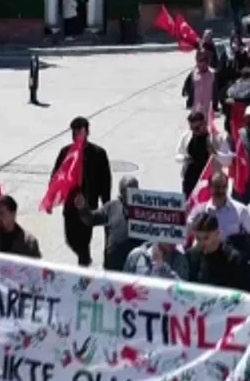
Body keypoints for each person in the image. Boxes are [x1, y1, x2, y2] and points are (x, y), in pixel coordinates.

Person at [54, 117, 113, 266]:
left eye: (79, 131)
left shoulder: (98, 153)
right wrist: (55, 192)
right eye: (74, 132)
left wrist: (106, 204)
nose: (76, 135)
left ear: (87, 132)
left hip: (88, 208)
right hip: (70, 206)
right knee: (70, 239)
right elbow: (56, 175)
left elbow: (105, 180)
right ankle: (84, 258)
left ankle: (84, 264)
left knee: (84, 241)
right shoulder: (65, 152)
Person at [74, 176, 143, 272]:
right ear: (121, 192)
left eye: (133, 190)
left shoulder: (144, 211)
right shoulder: (111, 207)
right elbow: (91, 219)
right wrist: (82, 207)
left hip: (134, 271)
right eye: (126, 191)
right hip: (112, 270)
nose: (130, 194)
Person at [184, 212, 250, 294]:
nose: (202, 243)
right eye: (198, 238)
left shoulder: (235, 259)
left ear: (217, 233)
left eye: (206, 238)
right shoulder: (191, 256)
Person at [176, 110, 221, 198]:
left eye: (197, 128)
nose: (194, 131)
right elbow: (178, 155)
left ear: (204, 123)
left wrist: (215, 153)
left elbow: (226, 160)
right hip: (190, 176)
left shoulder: (214, 137)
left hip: (208, 177)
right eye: (191, 128)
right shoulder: (187, 136)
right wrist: (185, 158)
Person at [123, 240, 189, 279]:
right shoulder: (136, 254)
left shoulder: (180, 260)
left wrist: (163, 268)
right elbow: (124, 283)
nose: (173, 241)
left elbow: (181, 292)